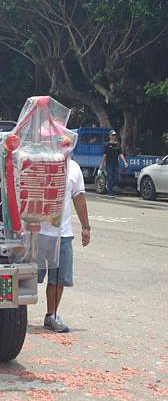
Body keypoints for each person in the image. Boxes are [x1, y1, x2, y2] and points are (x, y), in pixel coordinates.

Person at [38, 158, 91, 333]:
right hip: (36, 231)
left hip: (63, 233)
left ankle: (51, 315)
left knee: (58, 278)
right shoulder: (37, 163)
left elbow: (79, 197)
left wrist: (85, 226)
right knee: (27, 276)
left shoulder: (74, 168)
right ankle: (15, 316)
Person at [99, 130, 128, 197]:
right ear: (109, 136)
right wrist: (102, 164)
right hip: (109, 164)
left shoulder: (117, 145)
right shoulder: (107, 145)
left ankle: (109, 186)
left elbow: (120, 154)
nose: (114, 136)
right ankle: (110, 192)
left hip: (116, 164)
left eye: (114, 135)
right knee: (110, 178)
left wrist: (125, 162)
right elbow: (105, 155)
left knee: (117, 178)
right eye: (112, 135)